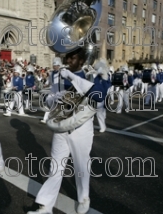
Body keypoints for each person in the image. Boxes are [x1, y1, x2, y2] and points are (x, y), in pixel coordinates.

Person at [28, 48, 109, 214]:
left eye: (73, 57)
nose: (68, 61)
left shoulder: (92, 74)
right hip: (61, 128)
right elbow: (50, 98)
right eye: (68, 57)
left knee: (81, 167)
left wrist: (72, 78)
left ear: (81, 59)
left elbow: (99, 95)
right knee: (55, 168)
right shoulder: (58, 76)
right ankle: (46, 206)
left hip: (81, 129)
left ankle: (84, 198)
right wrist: (54, 99)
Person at [40, 57, 63, 124]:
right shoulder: (51, 73)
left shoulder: (62, 73)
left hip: (60, 92)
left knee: (58, 106)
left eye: (56, 66)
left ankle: (56, 119)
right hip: (52, 91)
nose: (54, 67)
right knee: (48, 103)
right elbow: (49, 81)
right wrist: (45, 85)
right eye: (54, 66)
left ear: (59, 65)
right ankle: (45, 119)